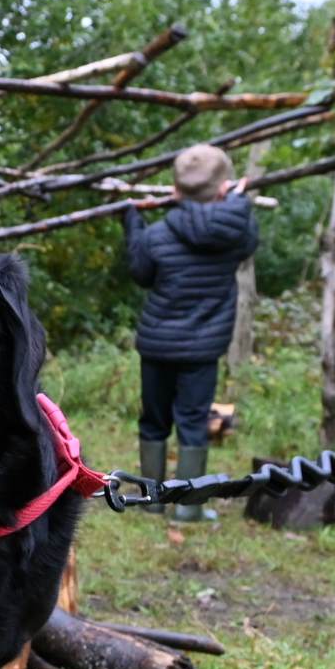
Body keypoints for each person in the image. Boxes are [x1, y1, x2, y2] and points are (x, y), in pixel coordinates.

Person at [120, 142, 258, 522]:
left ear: (175, 190)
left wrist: (133, 221)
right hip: (202, 350)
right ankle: (188, 507)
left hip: (158, 346)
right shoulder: (236, 234)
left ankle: (152, 500)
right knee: (194, 424)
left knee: (153, 420)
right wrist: (239, 202)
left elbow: (142, 274)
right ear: (222, 189)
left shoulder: (158, 234)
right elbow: (247, 236)